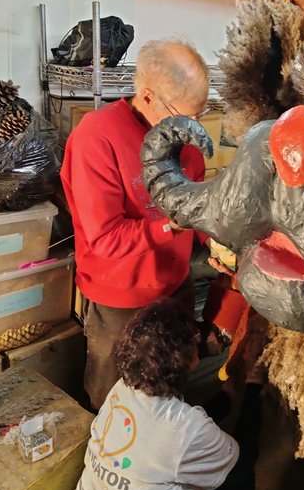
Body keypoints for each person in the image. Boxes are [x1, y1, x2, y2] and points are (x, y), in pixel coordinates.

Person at [61, 38, 210, 410]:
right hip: (120, 300)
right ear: (147, 97)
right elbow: (105, 237)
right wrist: (169, 226)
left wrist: (214, 239)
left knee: (172, 391)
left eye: (200, 115)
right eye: (185, 117)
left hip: (175, 286)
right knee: (113, 400)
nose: (193, 127)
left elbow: (196, 202)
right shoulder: (97, 138)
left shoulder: (182, 137)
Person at [73, 299, 239, 490]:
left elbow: (178, 435)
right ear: (184, 360)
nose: (198, 337)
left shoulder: (122, 388)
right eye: (193, 335)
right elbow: (229, 461)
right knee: (239, 477)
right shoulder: (188, 426)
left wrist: (227, 395)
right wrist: (252, 384)